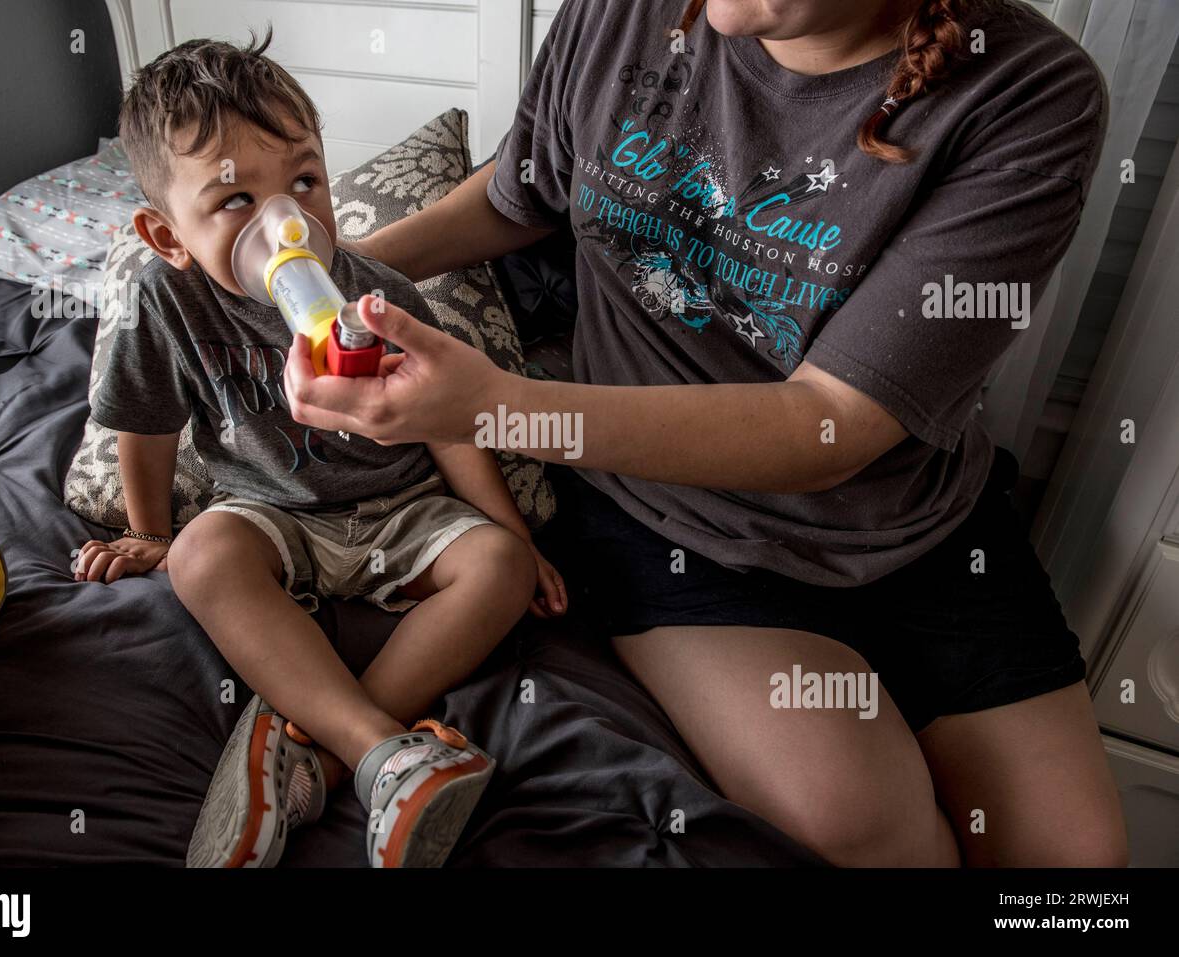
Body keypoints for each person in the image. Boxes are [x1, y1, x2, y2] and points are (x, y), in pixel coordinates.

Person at [284, 0, 1129, 866]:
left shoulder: (1030, 91)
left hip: (917, 529)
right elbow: (519, 197)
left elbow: (832, 423)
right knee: (870, 830)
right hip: (672, 520)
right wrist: (341, 280)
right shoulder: (620, 14)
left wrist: (494, 407)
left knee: (1076, 869)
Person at [73, 32, 566, 868]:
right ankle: (383, 749)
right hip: (271, 512)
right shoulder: (166, 303)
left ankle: (332, 752)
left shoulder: (374, 295)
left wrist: (507, 531)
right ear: (167, 236)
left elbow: (449, 422)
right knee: (201, 556)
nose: (287, 219)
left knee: (501, 572)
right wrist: (152, 533)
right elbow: (146, 427)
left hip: (401, 508)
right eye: (235, 200)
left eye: (304, 180)